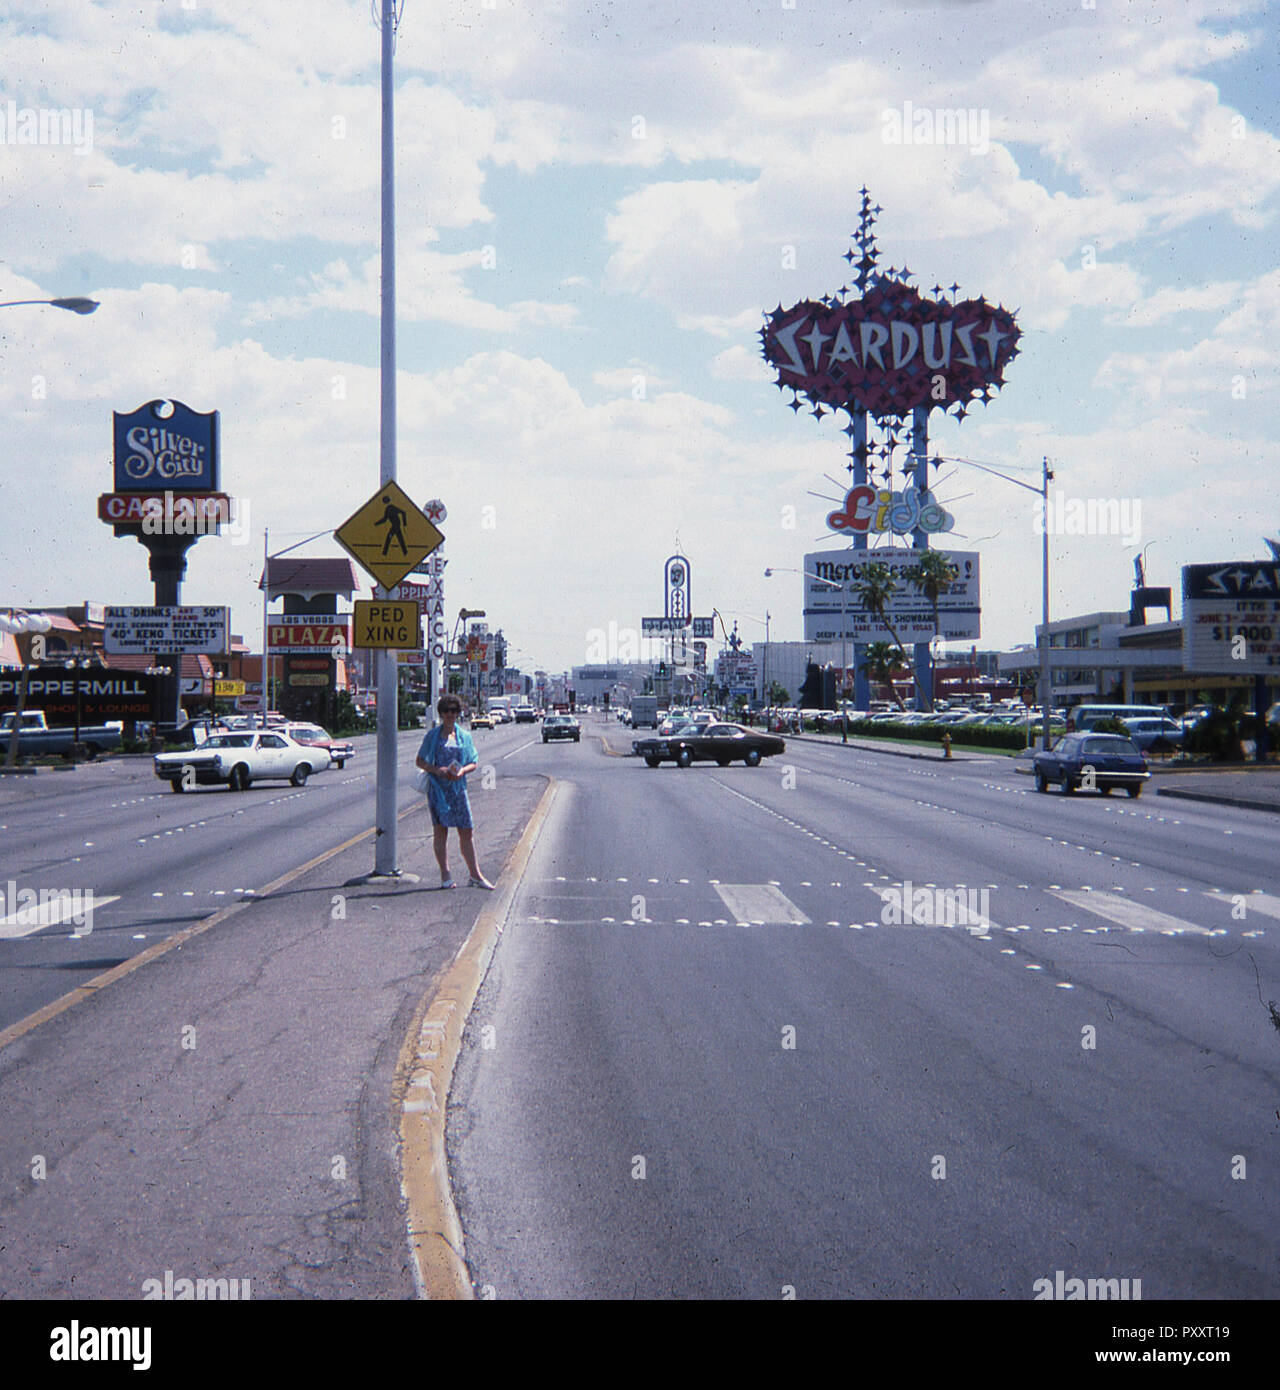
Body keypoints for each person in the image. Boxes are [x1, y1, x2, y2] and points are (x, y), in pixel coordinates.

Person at [416, 695, 494, 890]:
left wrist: (462, 771)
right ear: (441, 713)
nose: (451, 715)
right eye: (447, 711)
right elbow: (420, 761)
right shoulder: (432, 736)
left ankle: (475, 875)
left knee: (466, 831)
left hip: (458, 790)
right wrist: (436, 770)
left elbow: (473, 762)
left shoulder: (464, 736)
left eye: (454, 711)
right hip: (438, 791)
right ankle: (445, 875)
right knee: (440, 831)